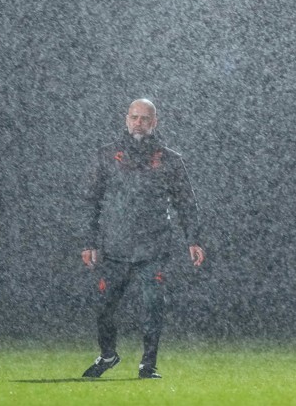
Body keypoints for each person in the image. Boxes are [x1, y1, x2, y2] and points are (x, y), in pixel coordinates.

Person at [79, 98, 205, 380]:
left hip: (153, 248)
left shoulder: (170, 160)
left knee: (152, 309)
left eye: (145, 118)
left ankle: (148, 365)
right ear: (126, 119)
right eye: (134, 117)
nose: (139, 122)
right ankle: (108, 355)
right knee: (104, 308)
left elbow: (186, 203)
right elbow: (91, 201)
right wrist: (89, 242)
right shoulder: (106, 155)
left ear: (154, 122)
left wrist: (193, 240)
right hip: (114, 248)